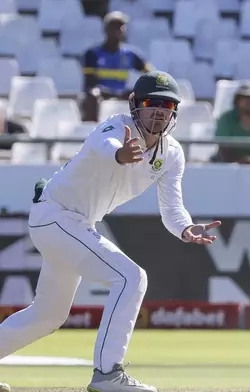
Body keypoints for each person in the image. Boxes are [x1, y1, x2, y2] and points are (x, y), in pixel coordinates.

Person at [0, 71, 221, 392]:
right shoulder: (115, 128)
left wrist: (186, 227)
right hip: (56, 216)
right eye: (152, 103)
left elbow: (171, 207)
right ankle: (108, 374)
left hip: (71, 225)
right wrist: (119, 154)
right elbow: (104, 146)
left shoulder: (171, 153)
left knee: (47, 316)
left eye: (168, 105)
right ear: (134, 104)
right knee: (132, 277)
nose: (159, 111)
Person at [81, 11, 152, 122]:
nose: (117, 30)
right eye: (113, 26)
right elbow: (90, 83)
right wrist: (114, 94)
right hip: (102, 94)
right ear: (105, 29)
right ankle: (91, 128)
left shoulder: (131, 54)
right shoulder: (93, 53)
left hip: (123, 94)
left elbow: (151, 74)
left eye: (120, 27)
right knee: (93, 95)